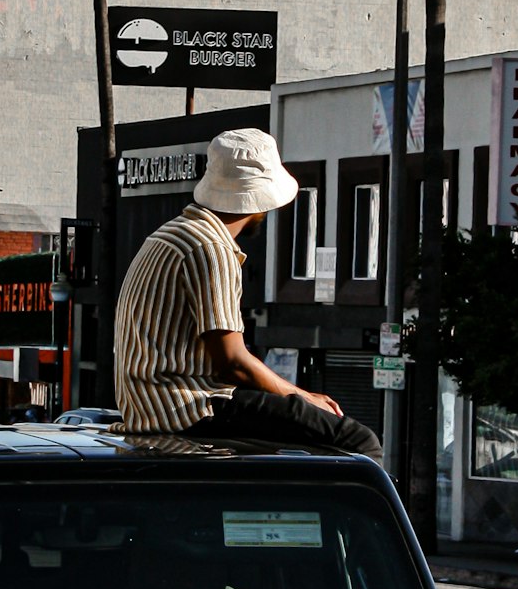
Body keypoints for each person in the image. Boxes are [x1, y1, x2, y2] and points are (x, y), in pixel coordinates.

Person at [115, 127, 382, 459]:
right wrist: (303, 396)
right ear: (258, 200)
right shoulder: (210, 247)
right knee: (358, 442)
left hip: (149, 408)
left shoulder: (168, 235)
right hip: (191, 407)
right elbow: (233, 364)